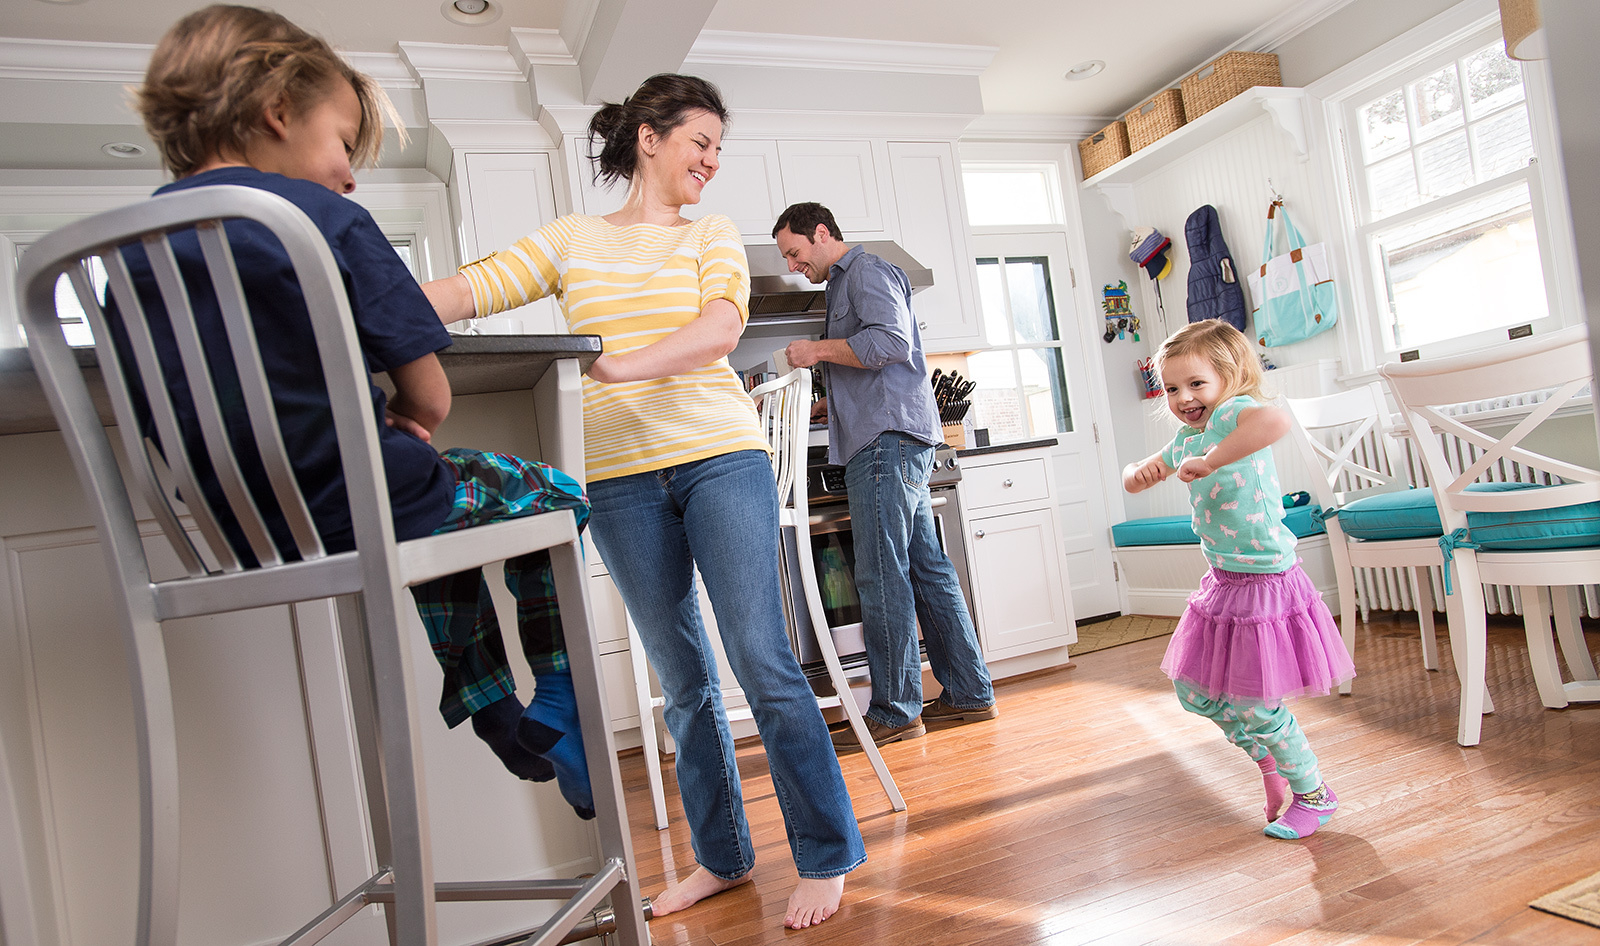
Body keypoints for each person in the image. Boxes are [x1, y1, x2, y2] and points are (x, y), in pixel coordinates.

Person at [129, 4, 597, 819]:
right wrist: (408, 420)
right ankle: (552, 696)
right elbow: (430, 395)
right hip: (365, 501)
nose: (350, 172)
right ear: (277, 112)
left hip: (232, 532)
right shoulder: (325, 219)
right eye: (344, 143)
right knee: (549, 493)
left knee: (420, 509)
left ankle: (493, 708)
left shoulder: (127, 252)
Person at [421, 74, 865, 930]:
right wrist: (360, 299)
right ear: (649, 138)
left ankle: (827, 852)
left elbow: (721, 330)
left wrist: (616, 364)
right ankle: (723, 858)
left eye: (719, 150)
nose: (712, 160)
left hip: (716, 458)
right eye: (701, 141)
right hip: (619, 479)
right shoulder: (572, 238)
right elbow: (473, 288)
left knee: (761, 662)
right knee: (684, 680)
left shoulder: (712, 235)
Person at [772, 202, 997, 748]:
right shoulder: (847, 285)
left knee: (879, 573)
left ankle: (896, 710)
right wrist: (826, 405)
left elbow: (892, 344)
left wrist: (812, 352)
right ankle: (970, 693)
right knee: (925, 569)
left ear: (822, 233)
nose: (794, 266)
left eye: (795, 253)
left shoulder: (865, 273)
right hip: (894, 435)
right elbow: (876, 367)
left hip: (885, 443)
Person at [1122, 319, 1353, 840]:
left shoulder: (1235, 415)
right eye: (1173, 387)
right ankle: (1267, 760)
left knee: (1257, 701)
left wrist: (1212, 460)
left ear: (1230, 376)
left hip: (1266, 580)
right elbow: (1140, 476)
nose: (1183, 397)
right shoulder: (1187, 440)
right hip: (1224, 581)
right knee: (1193, 690)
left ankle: (1314, 793)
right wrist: (1139, 473)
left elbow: (1274, 423)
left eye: (1196, 384)